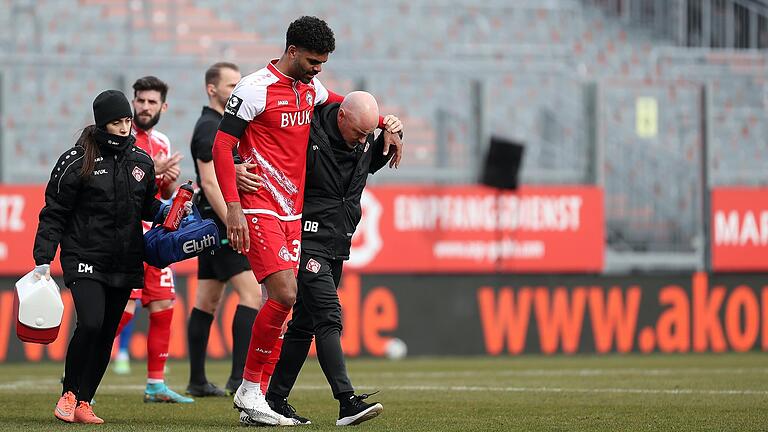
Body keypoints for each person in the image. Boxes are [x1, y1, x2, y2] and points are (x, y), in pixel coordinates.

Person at [212, 16, 402, 426]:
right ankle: (250, 391)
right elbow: (221, 145)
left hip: (293, 212)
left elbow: (344, 102)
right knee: (283, 292)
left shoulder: (311, 89)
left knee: (286, 304)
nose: (319, 69)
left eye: (323, 63)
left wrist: (385, 121)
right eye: (314, 61)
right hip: (260, 203)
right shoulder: (253, 89)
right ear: (292, 51)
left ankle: (262, 397)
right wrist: (233, 206)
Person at [262, 92, 402, 426]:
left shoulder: (363, 138)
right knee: (330, 316)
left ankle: (274, 400)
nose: (361, 141)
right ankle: (346, 401)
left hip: (338, 241)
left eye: (367, 135)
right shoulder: (307, 133)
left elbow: (365, 165)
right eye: (358, 133)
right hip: (307, 240)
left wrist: (392, 132)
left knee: (304, 326)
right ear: (341, 118)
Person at [35, 90, 166, 424]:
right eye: (116, 122)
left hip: (124, 259)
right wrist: (43, 257)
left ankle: (84, 401)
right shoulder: (77, 159)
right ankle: (69, 393)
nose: (124, 128)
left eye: (126, 121)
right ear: (102, 123)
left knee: (108, 331)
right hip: (83, 255)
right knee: (91, 323)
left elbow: (147, 205)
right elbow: (54, 212)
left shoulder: (141, 161)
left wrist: (172, 209)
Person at [112, 76, 193, 403]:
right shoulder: (120, 138)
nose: (144, 107)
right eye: (140, 100)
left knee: (163, 303)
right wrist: (152, 171)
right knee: (125, 307)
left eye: (151, 102)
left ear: (163, 106)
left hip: (155, 239)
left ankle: (155, 385)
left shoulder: (161, 141)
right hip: (124, 239)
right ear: (133, 101)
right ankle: (82, 362)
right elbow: (115, 186)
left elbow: (161, 195)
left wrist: (170, 182)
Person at [185, 62, 264, 397]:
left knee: (207, 300)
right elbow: (210, 182)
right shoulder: (209, 127)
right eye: (230, 86)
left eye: (238, 85)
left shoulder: (218, 124)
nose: (236, 92)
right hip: (220, 224)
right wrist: (234, 220)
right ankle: (237, 379)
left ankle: (198, 381)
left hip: (212, 223)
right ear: (211, 89)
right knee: (251, 295)